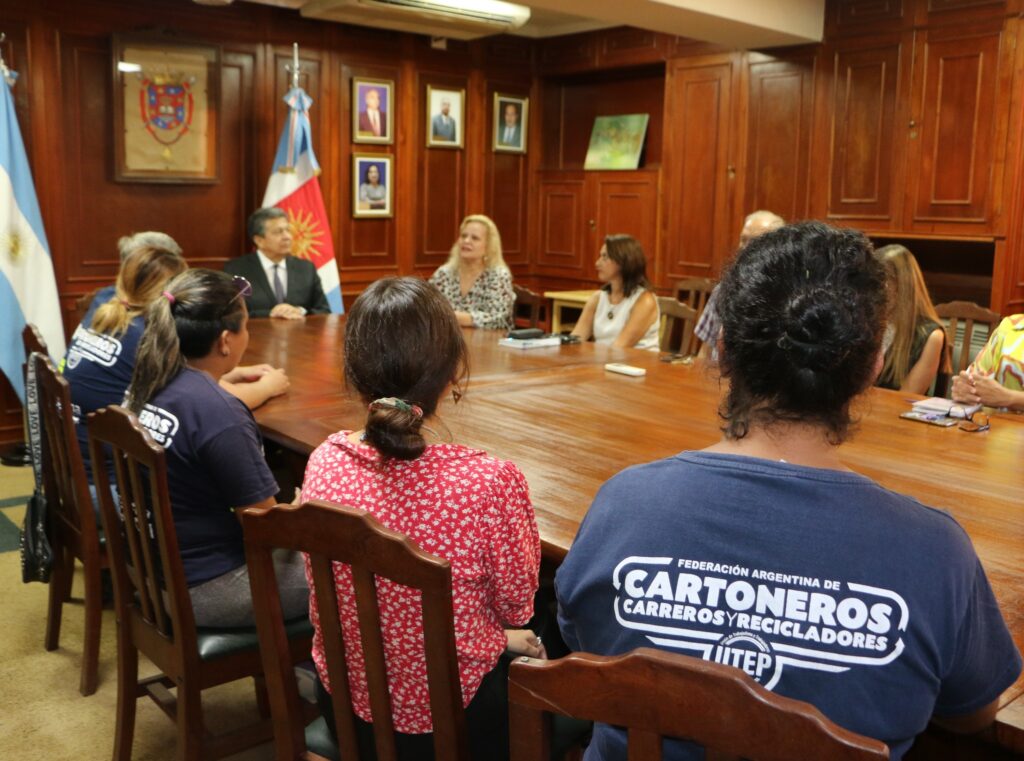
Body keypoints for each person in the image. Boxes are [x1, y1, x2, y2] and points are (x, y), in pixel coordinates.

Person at [555, 222, 1021, 761]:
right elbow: (973, 714)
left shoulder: (623, 505)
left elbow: (581, 636)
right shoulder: (936, 552)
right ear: (872, 366)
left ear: (723, 350)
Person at [301, 276, 542, 760]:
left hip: (346, 702)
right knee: (554, 628)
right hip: (455, 721)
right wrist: (502, 637)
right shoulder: (489, 483)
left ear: (353, 372)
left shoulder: (324, 460)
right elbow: (518, 608)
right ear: (454, 369)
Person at [124, 269, 308, 627]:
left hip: (149, 571)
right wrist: (302, 510)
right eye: (246, 324)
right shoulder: (219, 412)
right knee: (353, 566)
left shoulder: (153, 377)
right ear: (225, 341)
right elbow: (266, 529)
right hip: (208, 588)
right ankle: (310, 673)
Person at [63, 244, 188, 485]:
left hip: (72, 473)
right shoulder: (146, 339)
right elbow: (202, 402)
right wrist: (267, 386)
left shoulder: (104, 302)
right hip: (110, 489)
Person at [695, 210, 785, 360]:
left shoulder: (785, 296)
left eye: (755, 241)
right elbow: (705, 352)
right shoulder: (723, 289)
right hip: (714, 379)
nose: (745, 247)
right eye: (743, 239)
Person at [224, 207, 331, 320]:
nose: (287, 237)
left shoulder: (306, 268)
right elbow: (230, 314)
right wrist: (269, 313)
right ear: (259, 240)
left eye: (288, 230)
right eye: (278, 232)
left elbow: (324, 310)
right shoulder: (236, 270)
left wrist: (300, 311)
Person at [873, 244, 949, 395]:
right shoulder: (869, 322)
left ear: (903, 286)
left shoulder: (931, 336)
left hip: (892, 415)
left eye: (882, 282)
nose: (875, 291)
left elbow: (905, 398)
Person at [571, 235, 659, 350]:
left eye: (605, 257)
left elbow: (619, 348)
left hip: (638, 365)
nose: (597, 263)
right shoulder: (597, 298)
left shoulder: (645, 301)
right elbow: (575, 340)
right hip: (604, 362)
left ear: (623, 261)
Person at [429, 214, 514, 330]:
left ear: (489, 246)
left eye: (475, 238)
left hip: (490, 342)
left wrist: (453, 316)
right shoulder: (444, 273)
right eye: (463, 236)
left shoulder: (498, 275)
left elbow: (498, 318)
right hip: (450, 339)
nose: (466, 241)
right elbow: (427, 307)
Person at [951, 314, 1024, 411]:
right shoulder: (1010, 325)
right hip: (995, 422)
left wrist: (1010, 398)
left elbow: (1000, 396)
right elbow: (975, 380)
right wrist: (965, 389)